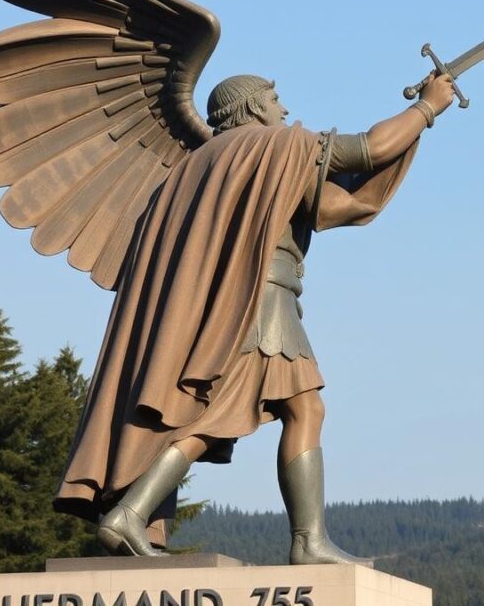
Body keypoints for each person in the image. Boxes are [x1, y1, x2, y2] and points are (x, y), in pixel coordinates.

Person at [54, 71, 456, 563]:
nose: (284, 110)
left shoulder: (198, 166)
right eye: (275, 98)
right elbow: (369, 150)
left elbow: (341, 205)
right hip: (258, 302)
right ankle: (147, 516)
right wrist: (427, 108)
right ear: (250, 107)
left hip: (226, 305)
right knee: (250, 412)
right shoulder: (274, 146)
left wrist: (413, 135)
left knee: (259, 411)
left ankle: (292, 537)